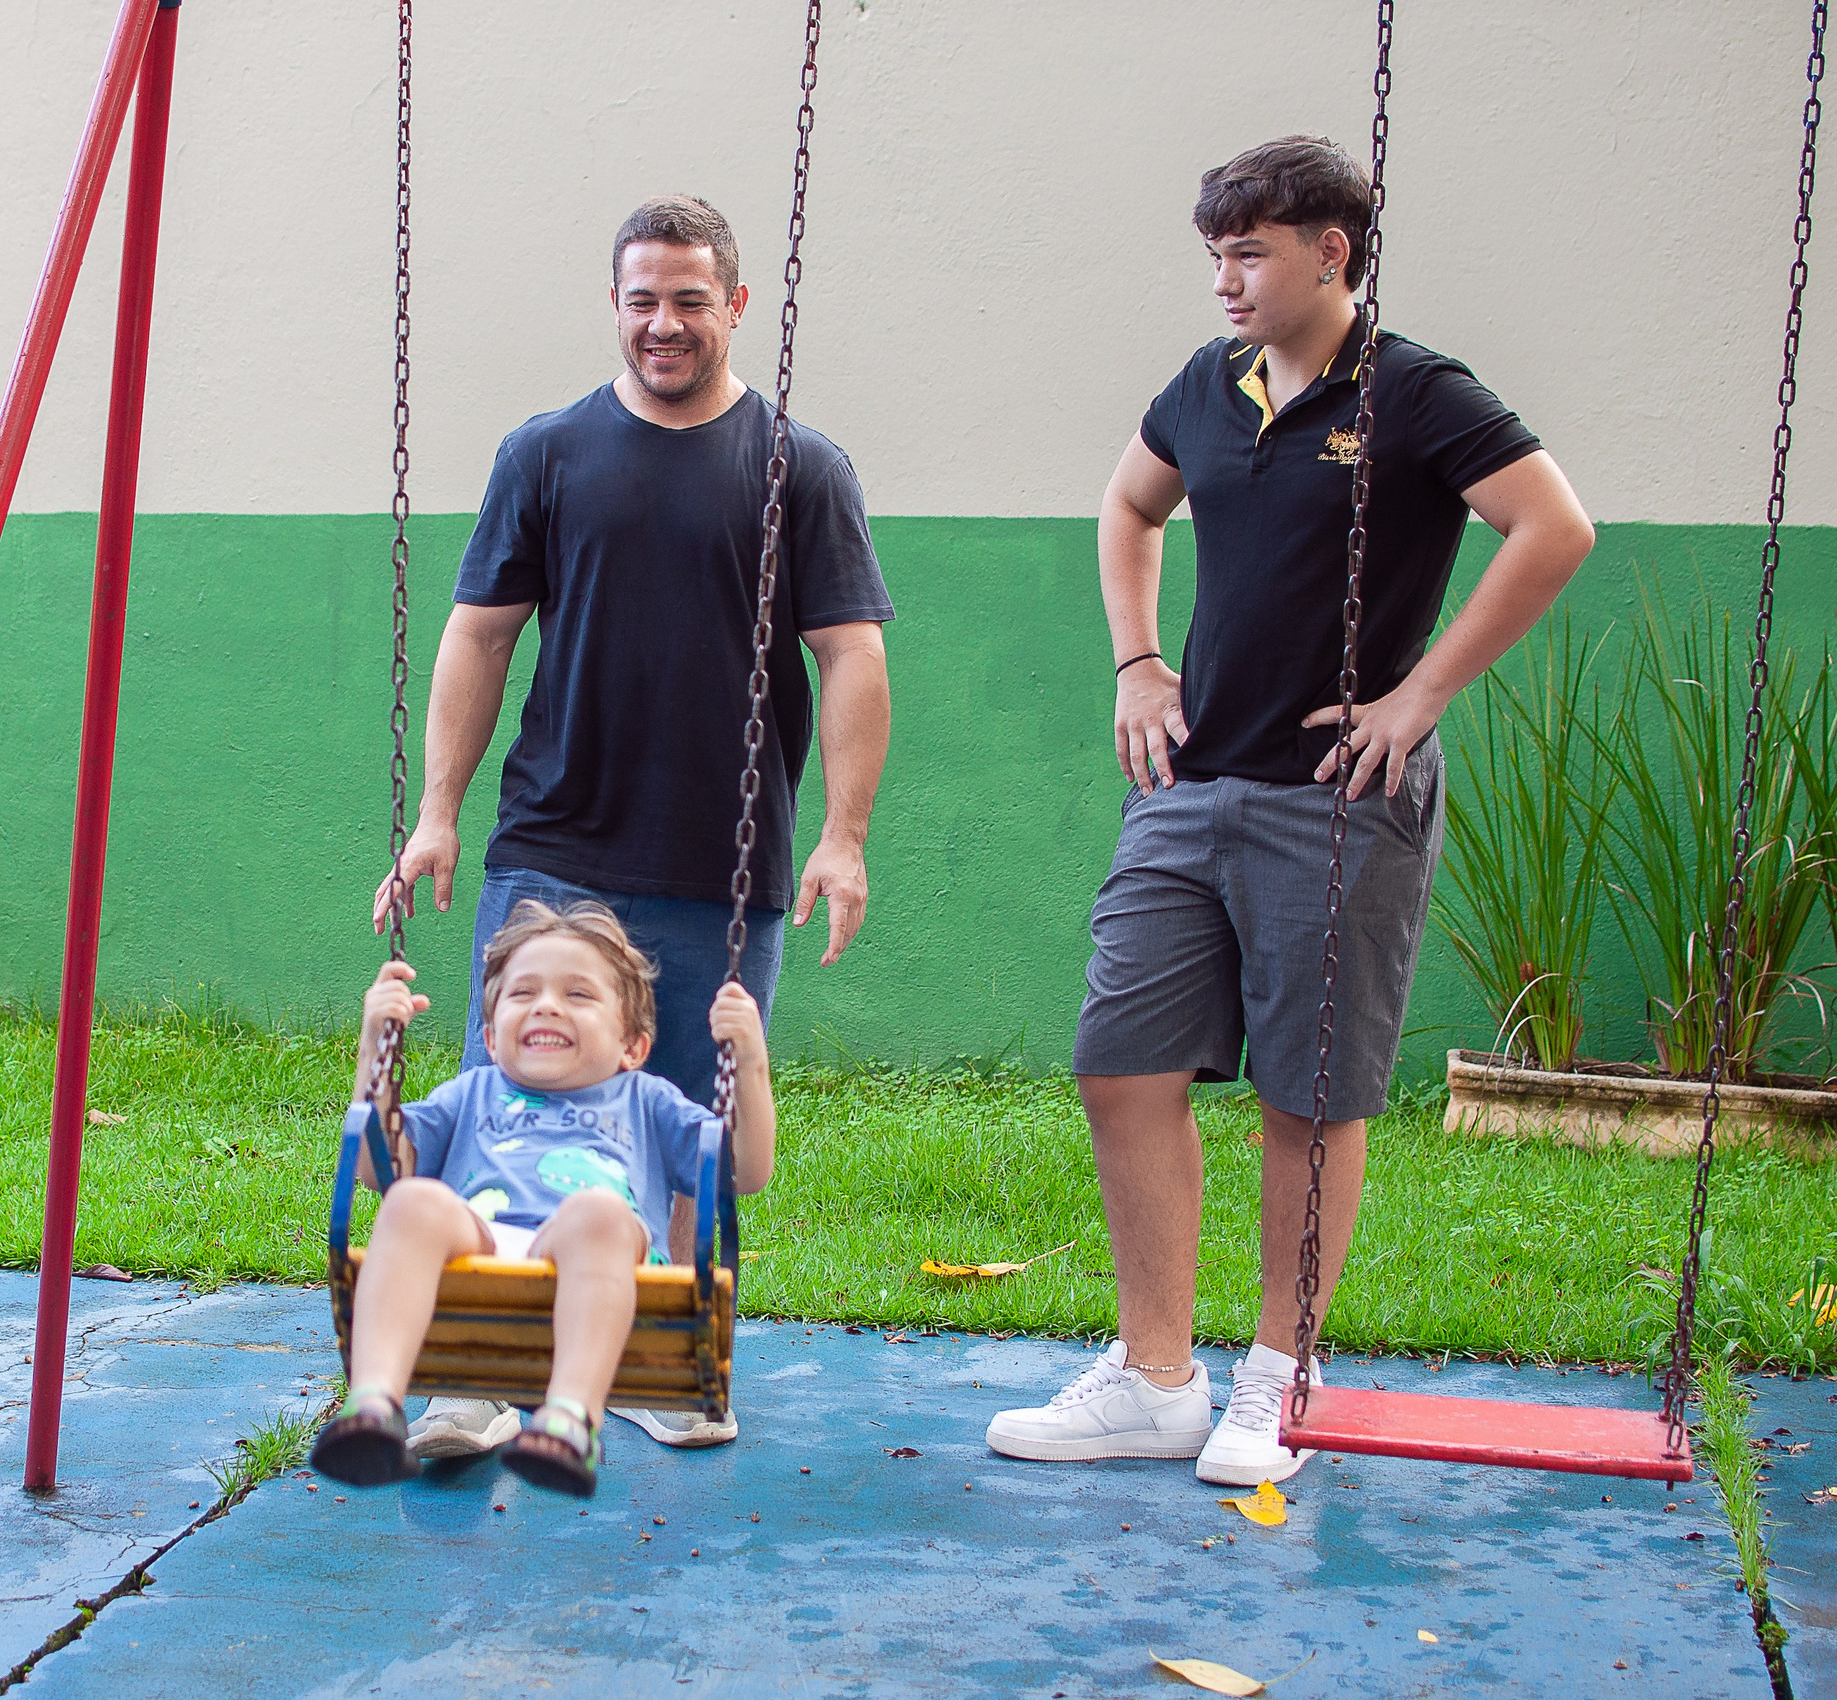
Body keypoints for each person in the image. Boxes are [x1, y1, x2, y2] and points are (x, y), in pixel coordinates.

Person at [986, 136, 1595, 1486]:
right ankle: (1155, 1379)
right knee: (1120, 1060)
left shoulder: (1422, 393)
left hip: (1339, 794)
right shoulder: (1213, 387)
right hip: (1191, 786)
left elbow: (1554, 528)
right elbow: (1130, 503)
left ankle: (1280, 1376)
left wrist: (1421, 694)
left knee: (1307, 1099)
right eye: (1216, 255)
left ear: (1332, 252)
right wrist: (1138, 661)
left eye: (1250, 252)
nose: (1227, 280)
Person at [371, 194, 894, 1457]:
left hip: (723, 859)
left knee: (678, 1132)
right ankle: (474, 1371)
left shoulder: (797, 468)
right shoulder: (545, 454)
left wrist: (843, 834)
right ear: (615, 304)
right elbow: (479, 633)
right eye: (642, 299)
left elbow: (852, 656)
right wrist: (439, 814)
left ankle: (666, 1364)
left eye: (690, 301)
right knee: (512, 1105)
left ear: (737, 307)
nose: (664, 324)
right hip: (556, 834)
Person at [308, 900, 775, 1497]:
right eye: (523, 993)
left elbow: (745, 1171)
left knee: (597, 1213)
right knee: (412, 1201)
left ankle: (570, 1420)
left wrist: (751, 1063)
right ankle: (373, 1406)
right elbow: (377, 1167)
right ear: (491, 1037)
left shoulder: (645, 1100)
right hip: (483, 1253)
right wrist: (375, 1048)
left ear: (632, 1045)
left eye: (578, 995)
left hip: (597, 1252)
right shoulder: (471, 1092)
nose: (547, 1004)